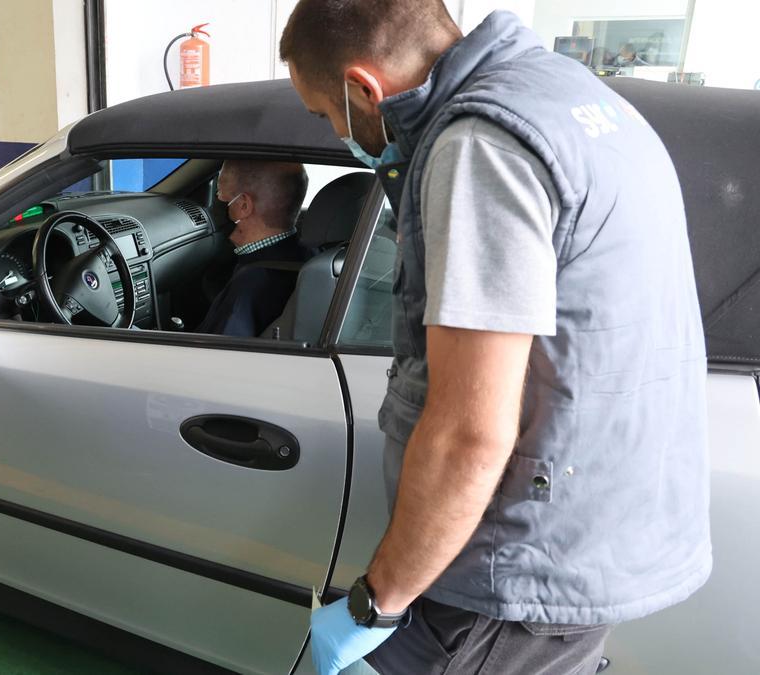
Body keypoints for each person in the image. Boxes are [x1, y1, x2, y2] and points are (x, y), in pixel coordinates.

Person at [279, 2, 709, 674]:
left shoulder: (479, 148)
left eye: (325, 113)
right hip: (583, 534)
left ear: (363, 87)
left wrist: (375, 603)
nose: (337, 131)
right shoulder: (573, 95)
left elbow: (469, 433)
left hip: (506, 576)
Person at [197, 160, 309, 337]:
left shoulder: (247, 290)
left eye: (219, 192)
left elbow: (208, 359)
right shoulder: (310, 259)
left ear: (243, 206)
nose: (216, 199)